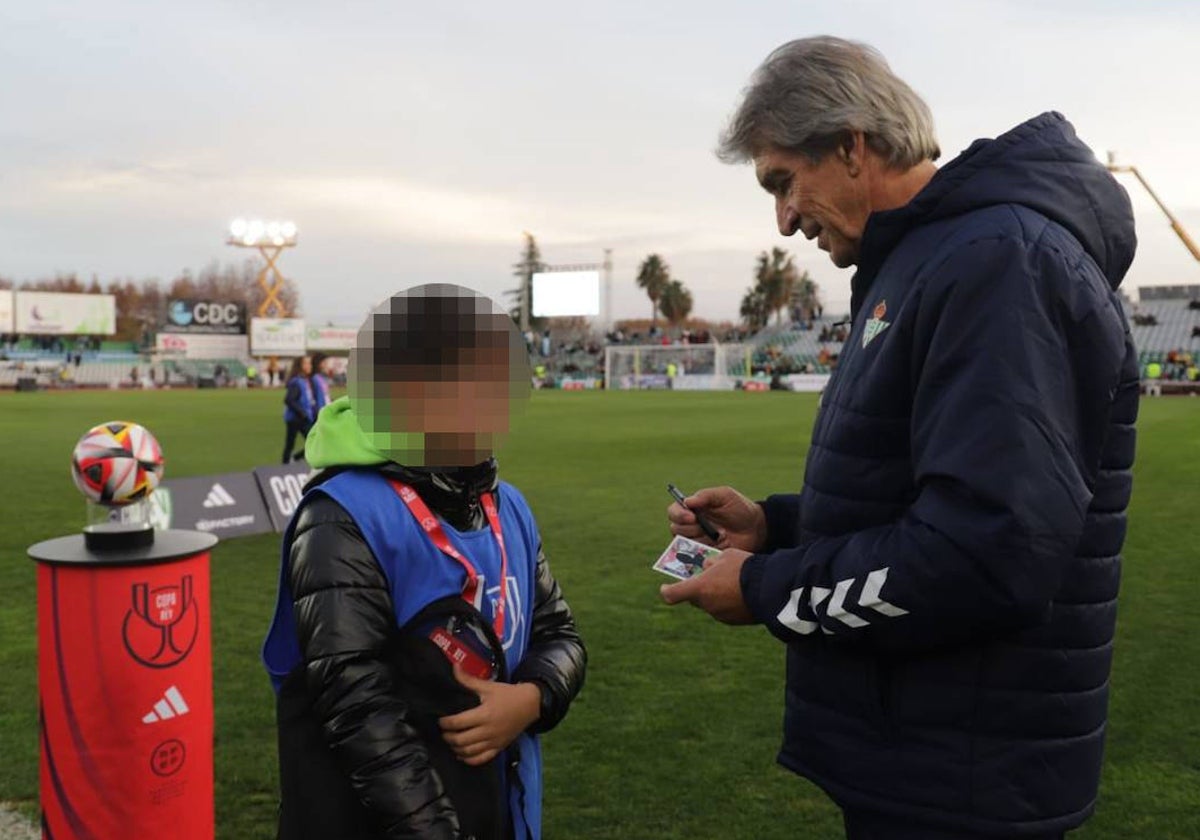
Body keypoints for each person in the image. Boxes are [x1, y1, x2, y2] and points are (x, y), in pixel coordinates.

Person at [661, 36, 1139, 840]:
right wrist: (777, 526)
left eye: (784, 181)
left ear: (850, 147)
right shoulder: (930, 260)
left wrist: (764, 587)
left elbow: (984, 551)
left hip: (967, 778)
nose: (782, 221)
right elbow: (925, 494)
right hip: (929, 753)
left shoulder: (996, 262)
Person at [262, 284, 586, 840]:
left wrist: (530, 699)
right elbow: (355, 703)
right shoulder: (342, 516)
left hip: (500, 807)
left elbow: (561, 635)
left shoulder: (508, 506)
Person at [282, 356, 315, 463]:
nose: (310, 366)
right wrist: (302, 413)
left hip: (302, 417)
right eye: (307, 363)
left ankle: (293, 459)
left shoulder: (304, 380)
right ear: (300, 366)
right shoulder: (297, 382)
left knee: (312, 442)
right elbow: (289, 399)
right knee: (312, 441)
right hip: (297, 418)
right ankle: (286, 464)